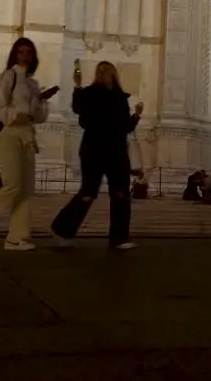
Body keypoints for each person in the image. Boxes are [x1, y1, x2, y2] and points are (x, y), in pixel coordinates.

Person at [0, 37, 56, 251]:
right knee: (13, 184)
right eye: (21, 52)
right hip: (9, 133)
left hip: (27, 135)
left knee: (25, 189)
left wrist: (42, 101)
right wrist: (17, 114)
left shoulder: (33, 84)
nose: (25, 56)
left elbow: (39, 117)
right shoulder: (9, 76)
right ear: (14, 55)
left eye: (29, 52)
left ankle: (16, 238)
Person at [51, 61, 143, 250]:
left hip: (115, 150)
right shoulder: (90, 93)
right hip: (95, 149)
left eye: (107, 70)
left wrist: (137, 115)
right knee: (88, 192)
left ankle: (119, 238)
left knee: (121, 193)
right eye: (101, 71)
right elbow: (78, 110)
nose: (105, 74)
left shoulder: (120, 97)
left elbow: (126, 127)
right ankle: (62, 228)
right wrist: (76, 86)